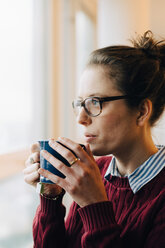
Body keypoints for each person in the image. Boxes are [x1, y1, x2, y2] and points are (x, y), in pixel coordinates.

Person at [23, 30, 165, 248]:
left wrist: (94, 205)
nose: (81, 118)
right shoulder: (94, 171)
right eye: (80, 103)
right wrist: (50, 197)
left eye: (95, 102)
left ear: (141, 111)